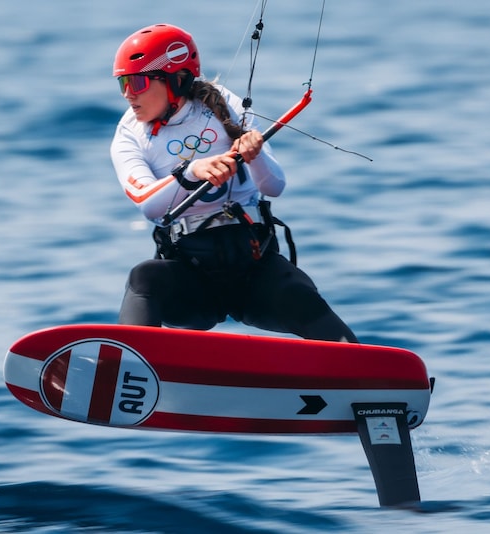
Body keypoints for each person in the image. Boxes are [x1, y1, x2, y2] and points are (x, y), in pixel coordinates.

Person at [110, 23, 357, 343]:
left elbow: (275, 186)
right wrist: (192, 171)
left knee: (300, 292)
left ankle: (372, 378)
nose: (128, 93)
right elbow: (146, 201)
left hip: (253, 266)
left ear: (176, 79)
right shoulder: (129, 133)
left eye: (138, 81)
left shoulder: (224, 103)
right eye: (123, 83)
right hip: (191, 278)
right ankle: (128, 363)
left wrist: (256, 156)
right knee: (143, 278)